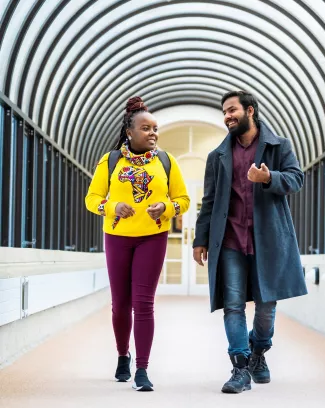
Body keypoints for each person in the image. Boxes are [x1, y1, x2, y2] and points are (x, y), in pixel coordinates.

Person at [193, 91, 307, 394]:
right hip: (229, 240)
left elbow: (297, 179)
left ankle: (258, 354)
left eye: (232, 110)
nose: (228, 116)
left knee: (266, 306)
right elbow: (209, 200)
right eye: (224, 112)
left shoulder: (278, 146)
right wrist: (199, 239)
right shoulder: (217, 156)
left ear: (250, 111)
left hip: (267, 240)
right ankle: (240, 367)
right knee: (233, 306)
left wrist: (270, 179)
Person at [85, 97, 190, 392]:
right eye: (146, 128)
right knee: (121, 305)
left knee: (144, 304)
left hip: (152, 239)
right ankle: (123, 355)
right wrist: (112, 206)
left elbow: (183, 200)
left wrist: (166, 208)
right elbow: (91, 199)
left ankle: (142, 369)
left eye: (155, 128)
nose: (153, 133)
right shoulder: (110, 162)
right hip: (117, 238)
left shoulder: (167, 162)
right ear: (130, 132)